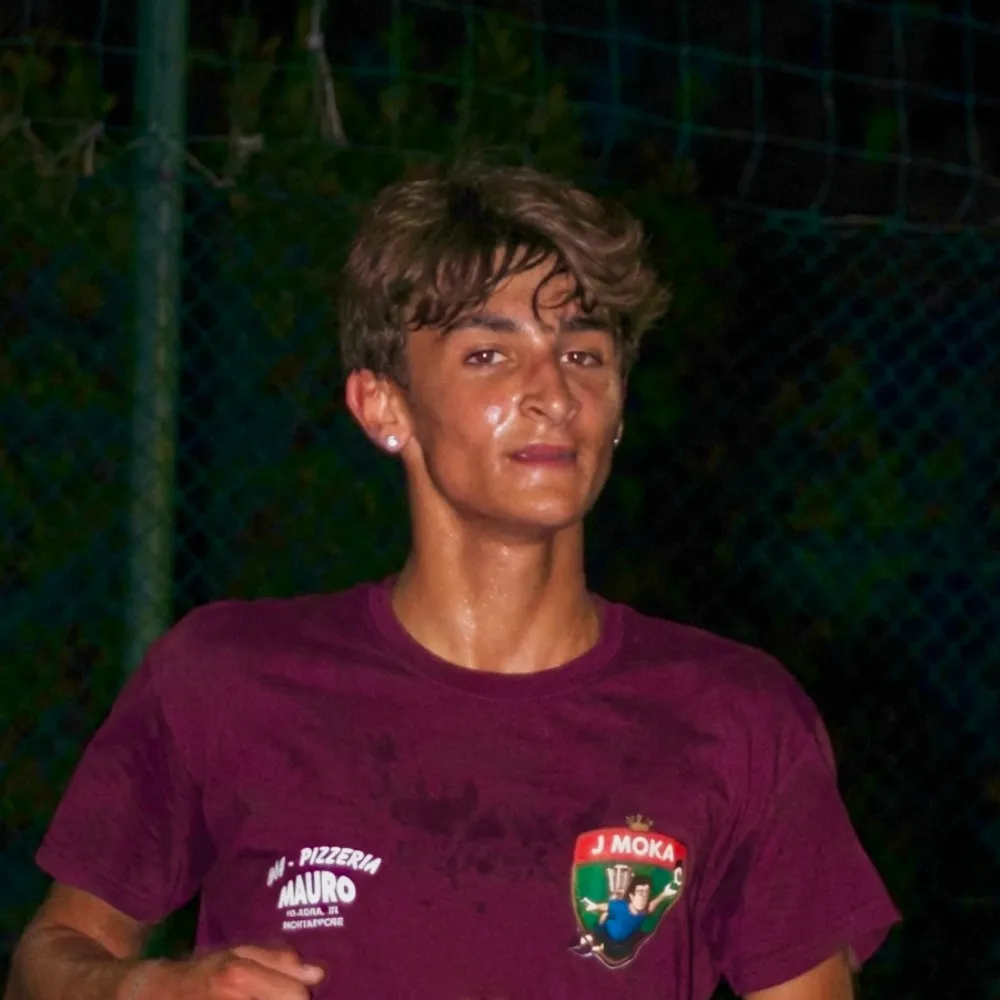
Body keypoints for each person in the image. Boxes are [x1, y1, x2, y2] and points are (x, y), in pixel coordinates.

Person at [5, 160, 899, 1000]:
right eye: (488, 355)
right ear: (384, 406)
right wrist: (147, 987)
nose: (554, 393)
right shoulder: (226, 675)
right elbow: (48, 958)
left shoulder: (736, 716)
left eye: (584, 355)